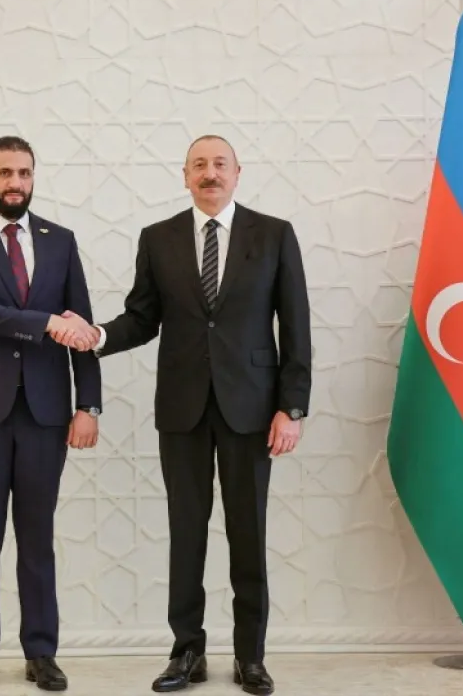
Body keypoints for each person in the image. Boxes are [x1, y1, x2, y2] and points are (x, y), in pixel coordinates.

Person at [64, 135, 312, 694]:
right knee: (186, 533)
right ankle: (187, 652)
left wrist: (291, 407)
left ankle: (251, 657)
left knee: (248, 533)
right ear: (184, 175)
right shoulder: (158, 238)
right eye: (199, 165)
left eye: (220, 164)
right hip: (182, 410)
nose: (210, 173)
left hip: (252, 409)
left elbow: (295, 326)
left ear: (238, 173)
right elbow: (142, 318)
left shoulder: (274, 234)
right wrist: (97, 335)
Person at [0, 135, 102, 694]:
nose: (16, 183)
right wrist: (46, 324)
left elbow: (82, 325)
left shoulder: (61, 241)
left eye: (24, 173)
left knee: (38, 538)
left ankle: (41, 652)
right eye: (5, 173)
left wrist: (88, 405)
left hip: (45, 411)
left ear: (34, 177)